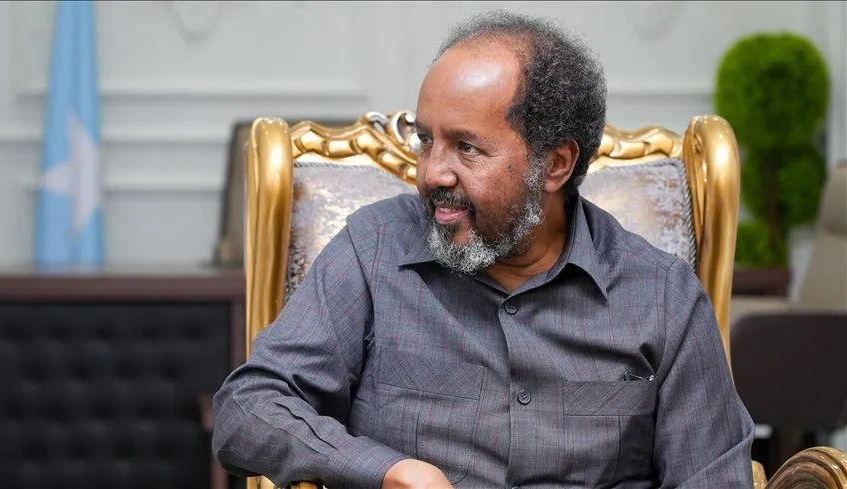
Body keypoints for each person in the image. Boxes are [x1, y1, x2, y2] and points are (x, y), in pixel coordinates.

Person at [212, 9, 755, 489]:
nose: (431, 173)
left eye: (466, 147)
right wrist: (387, 471)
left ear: (555, 165)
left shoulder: (662, 296)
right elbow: (248, 409)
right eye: (426, 140)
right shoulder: (373, 251)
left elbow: (711, 475)